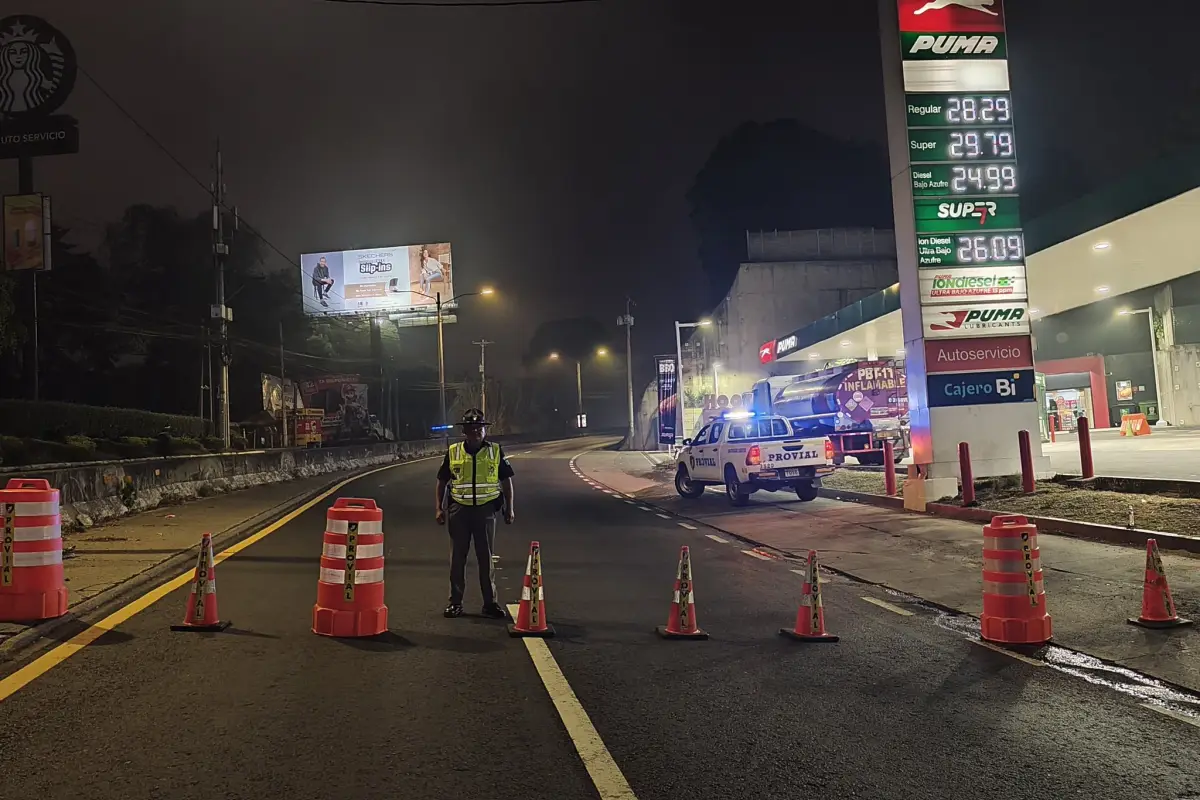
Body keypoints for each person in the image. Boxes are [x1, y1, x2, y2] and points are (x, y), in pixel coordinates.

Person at [435, 408, 515, 618]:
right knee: (457, 559)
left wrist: (509, 508)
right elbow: (442, 481)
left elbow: (506, 481)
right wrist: (439, 508)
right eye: (471, 428)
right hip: (459, 511)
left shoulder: (495, 451)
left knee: (486, 559)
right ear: (465, 431)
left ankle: (490, 603)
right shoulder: (453, 452)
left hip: (485, 510)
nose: (476, 432)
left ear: (485, 430)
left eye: (479, 428)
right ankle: (455, 603)